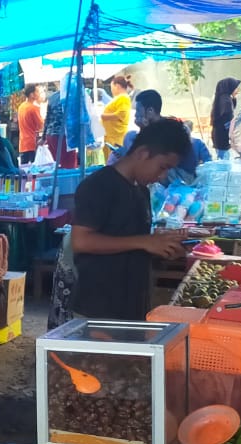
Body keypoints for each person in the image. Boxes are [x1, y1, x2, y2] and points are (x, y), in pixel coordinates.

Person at [70, 119, 191, 321]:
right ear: (142, 153)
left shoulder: (140, 190)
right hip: (99, 308)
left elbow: (131, 239)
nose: (163, 176)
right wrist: (144, 241)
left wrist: (162, 247)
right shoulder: (99, 185)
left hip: (132, 303)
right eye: (162, 167)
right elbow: (81, 241)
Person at [110, 90, 198, 181]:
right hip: (170, 170)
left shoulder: (167, 128)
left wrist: (145, 130)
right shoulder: (157, 126)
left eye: (138, 110)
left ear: (150, 111)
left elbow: (153, 156)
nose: (136, 115)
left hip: (183, 175)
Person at [42, 76, 80, 169]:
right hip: (63, 136)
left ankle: (58, 183)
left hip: (50, 135)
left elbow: (48, 118)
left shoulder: (53, 97)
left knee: (56, 165)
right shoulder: (71, 96)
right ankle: (67, 183)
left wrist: (43, 137)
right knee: (68, 166)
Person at [101, 75, 134, 161]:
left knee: (114, 163)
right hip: (110, 137)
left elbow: (121, 114)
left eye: (112, 87)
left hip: (116, 139)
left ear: (117, 86)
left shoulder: (123, 98)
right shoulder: (119, 98)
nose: (111, 90)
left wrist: (103, 116)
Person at [212, 78, 241, 160]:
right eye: (236, 88)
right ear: (230, 87)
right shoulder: (226, 101)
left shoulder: (223, 98)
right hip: (223, 136)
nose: (237, 90)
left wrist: (234, 97)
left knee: (221, 159)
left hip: (218, 135)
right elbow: (229, 119)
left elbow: (230, 111)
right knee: (225, 163)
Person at [17, 84, 45, 165]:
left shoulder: (21, 107)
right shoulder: (33, 108)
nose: (38, 94)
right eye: (37, 91)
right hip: (32, 143)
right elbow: (41, 125)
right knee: (34, 170)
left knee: (24, 169)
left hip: (23, 143)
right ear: (31, 94)